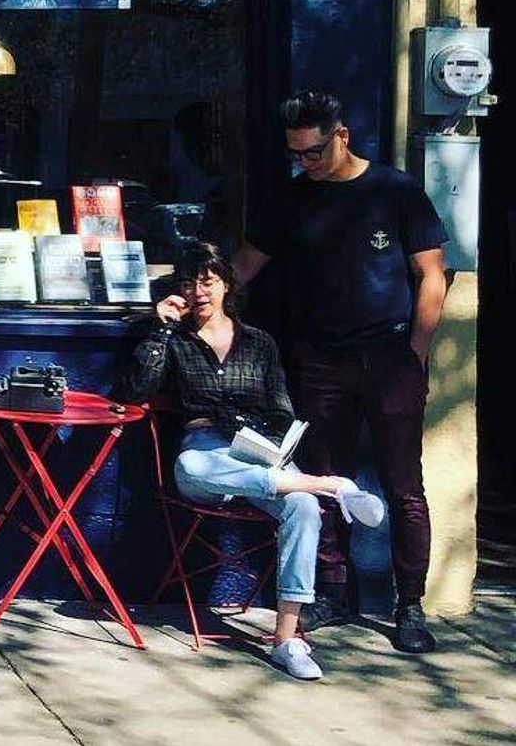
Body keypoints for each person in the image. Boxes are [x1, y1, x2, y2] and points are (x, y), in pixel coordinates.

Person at [233, 87, 448, 653]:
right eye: (296, 154)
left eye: (313, 152)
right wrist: (191, 295)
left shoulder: (394, 191)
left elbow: (431, 273)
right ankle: (331, 590)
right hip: (321, 358)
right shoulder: (292, 197)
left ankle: (409, 604)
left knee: (404, 485)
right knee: (325, 478)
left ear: (342, 137)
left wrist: (417, 352)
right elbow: (245, 267)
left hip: (389, 356)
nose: (304, 163)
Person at [125, 242, 387, 680]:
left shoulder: (259, 343)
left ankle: (287, 638)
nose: (198, 292)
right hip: (207, 451)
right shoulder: (177, 339)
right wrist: (161, 328)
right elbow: (135, 390)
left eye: (207, 281)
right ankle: (328, 485)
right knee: (190, 468)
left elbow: (282, 411)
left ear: (227, 283)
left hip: (257, 449)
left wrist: (266, 440)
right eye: (189, 283)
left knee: (302, 509)